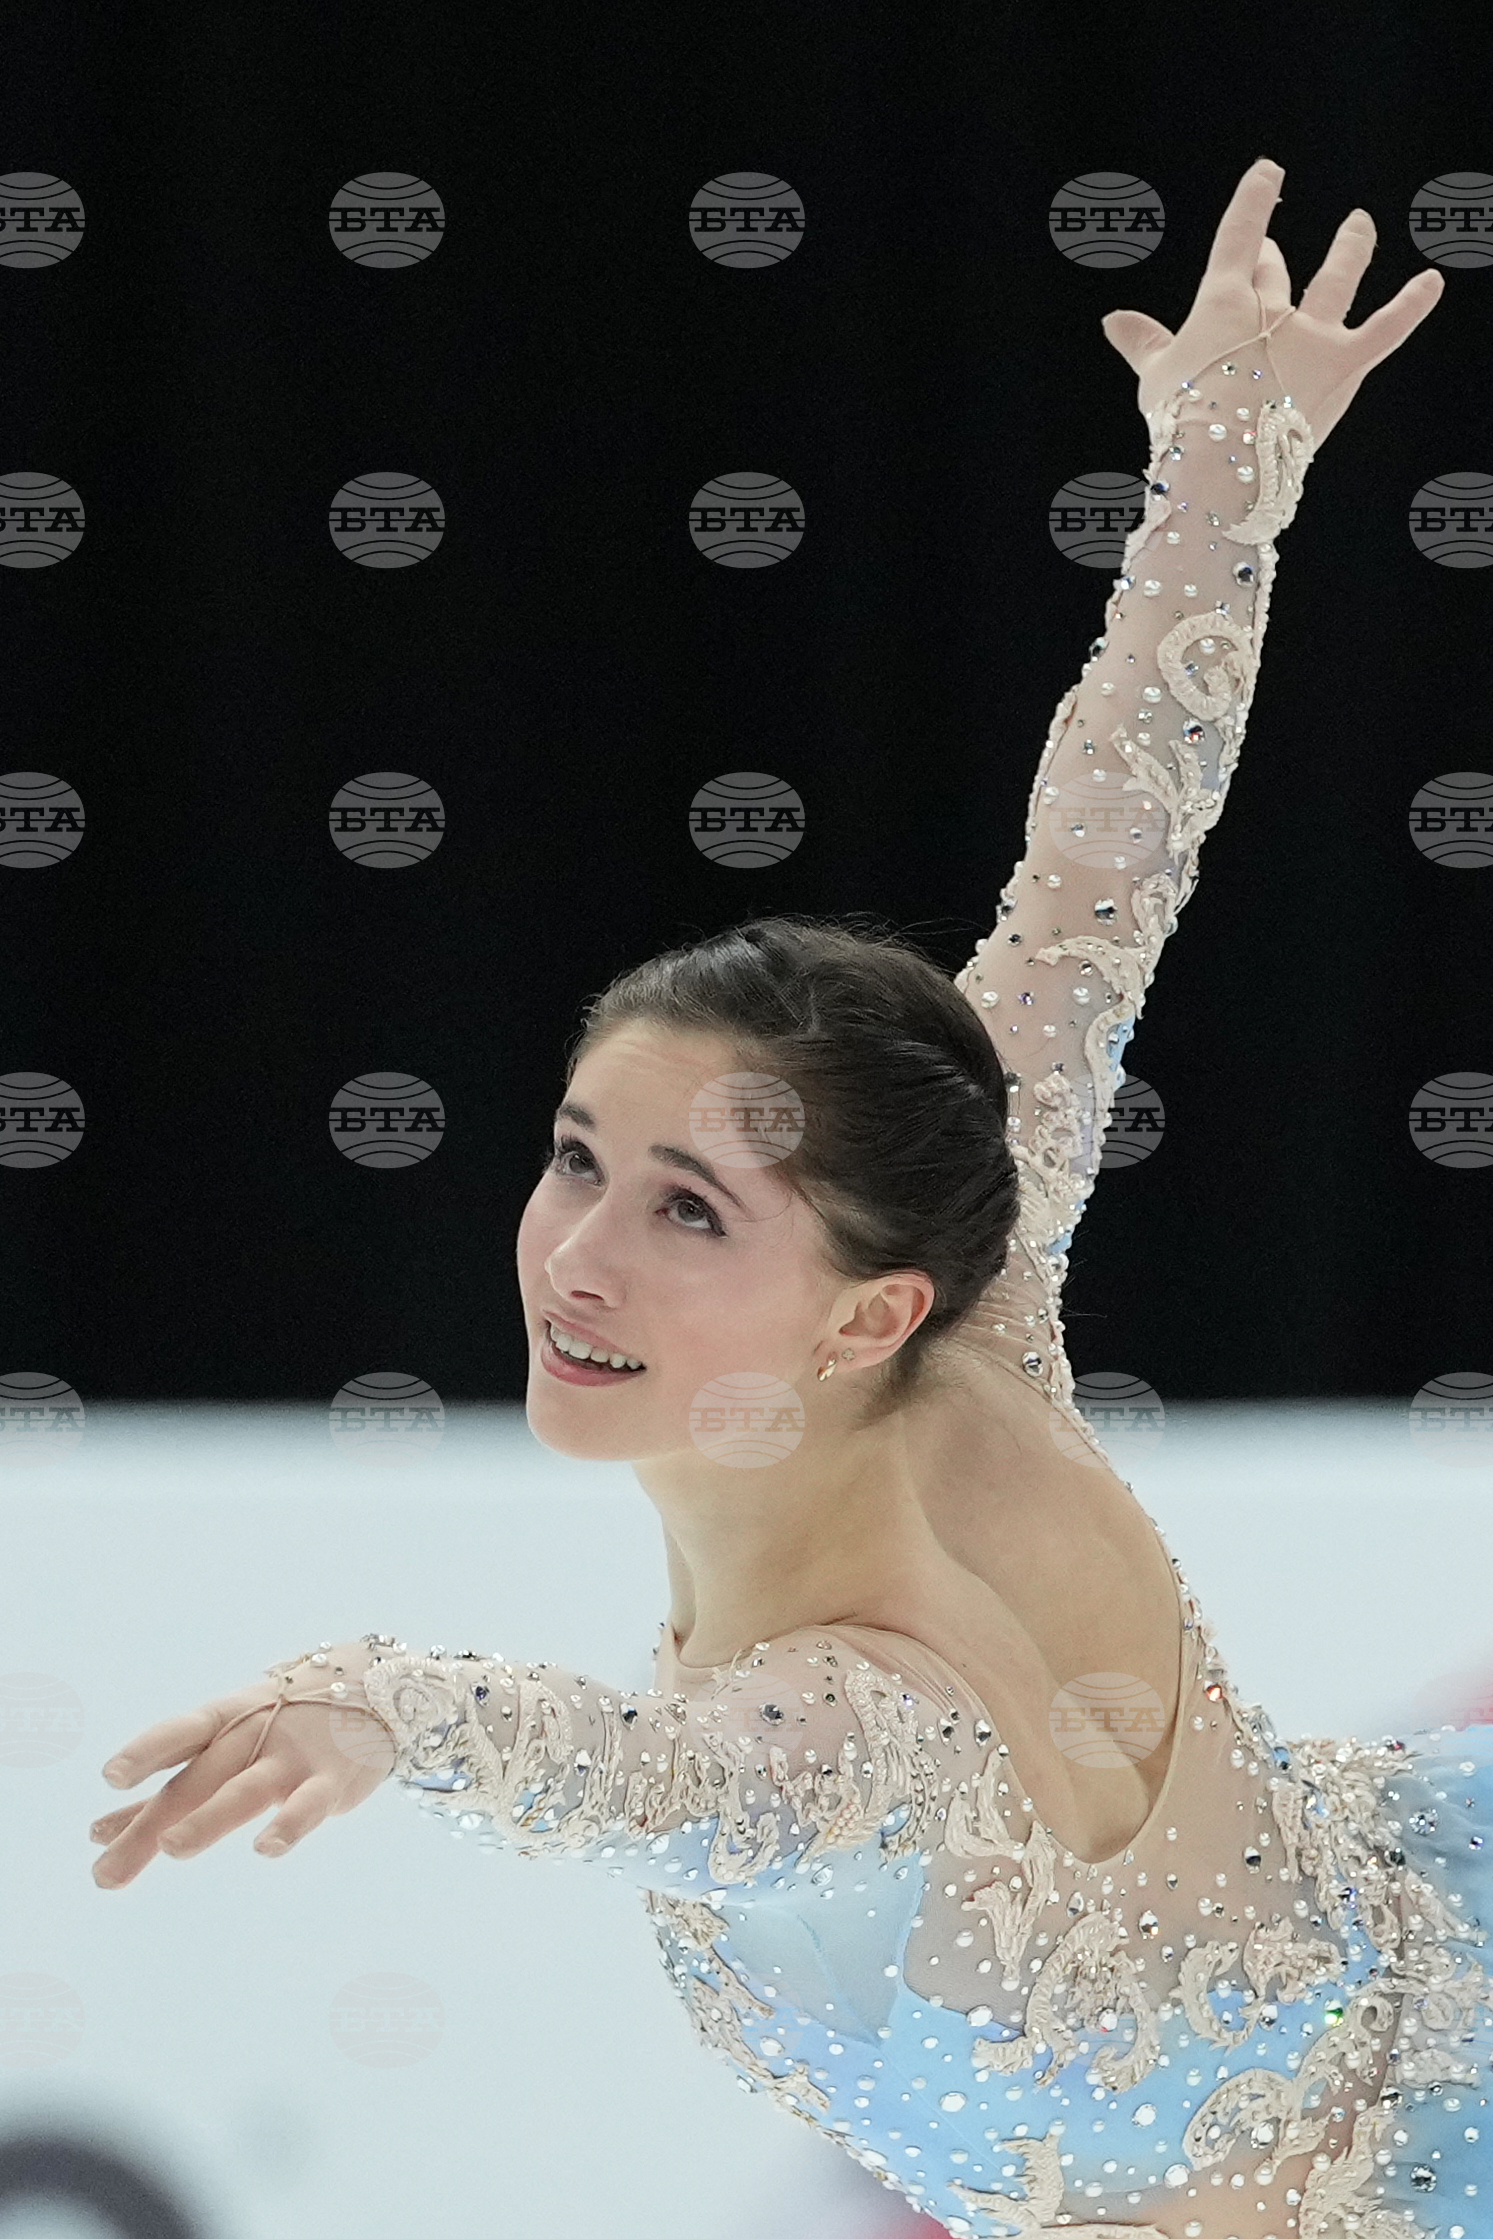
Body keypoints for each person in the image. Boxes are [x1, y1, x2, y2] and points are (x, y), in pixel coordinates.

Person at [89, 161, 1478, 2239]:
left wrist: (378, 1696)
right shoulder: (978, 1287)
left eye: (694, 1215)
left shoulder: (856, 1711)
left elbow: (624, 1771)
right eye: (583, 1161)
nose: (581, 1253)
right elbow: (1108, 852)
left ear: (867, 1313)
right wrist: (1221, 474)